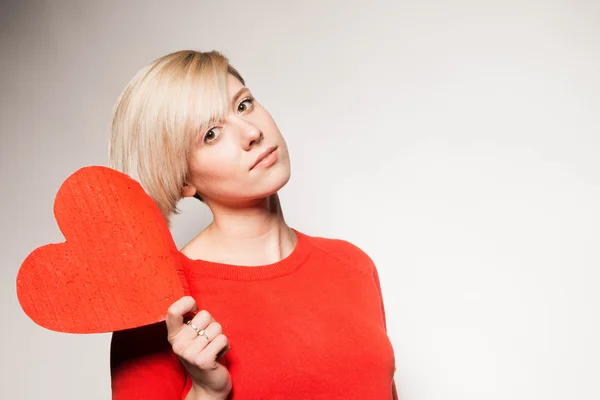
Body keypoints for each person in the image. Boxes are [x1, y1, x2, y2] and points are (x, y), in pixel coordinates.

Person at [108, 49, 398, 400]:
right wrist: (205, 393)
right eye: (211, 134)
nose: (251, 132)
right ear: (183, 180)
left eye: (244, 105)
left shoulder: (352, 265)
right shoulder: (161, 304)